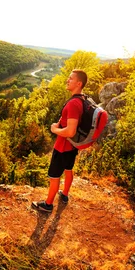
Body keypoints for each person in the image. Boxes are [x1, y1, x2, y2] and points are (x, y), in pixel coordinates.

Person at [32, 69, 86, 213]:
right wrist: (59, 123)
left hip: (63, 147)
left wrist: (55, 130)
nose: (67, 80)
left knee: (54, 176)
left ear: (79, 83)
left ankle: (48, 204)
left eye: (71, 78)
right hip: (73, 146)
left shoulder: (73, 104)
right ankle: (65, 194)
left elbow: (70, 131)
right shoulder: (82, 99)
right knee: (69, 169)